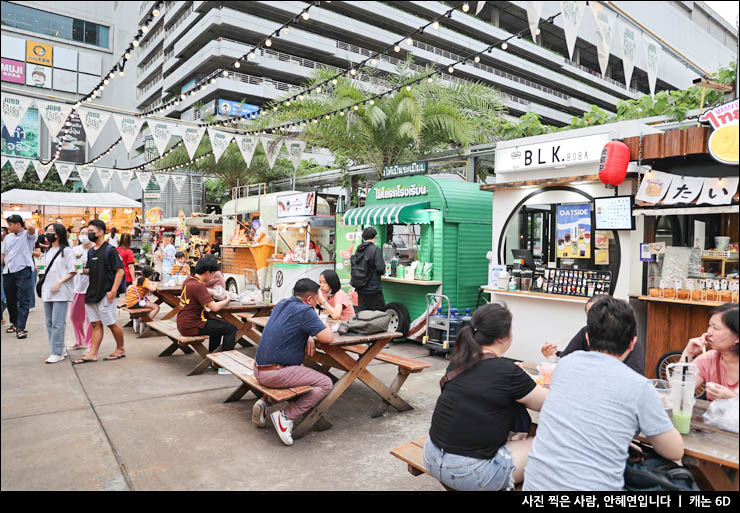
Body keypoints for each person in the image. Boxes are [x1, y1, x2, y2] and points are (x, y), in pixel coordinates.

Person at [523, 297, 684, 491]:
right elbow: (675, 451)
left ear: (588, 338)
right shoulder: (639, 386)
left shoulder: (566, 365)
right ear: (633, 344)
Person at [423, 302, 549, 490]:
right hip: (469, 472)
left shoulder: (459, 361)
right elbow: (550, 404)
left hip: (431, 456)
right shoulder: (508, 372)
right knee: (547, 447)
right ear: (502, 337)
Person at [253, 278, 334, 446]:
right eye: (318, 297)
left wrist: (310, 334)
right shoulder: (305, 310)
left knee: (299, 367)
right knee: (325, 383)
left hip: (258, 369)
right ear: (310, 299)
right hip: (274, 374)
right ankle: (286, 416)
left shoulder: (282, 303)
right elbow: (328, 337)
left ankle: (264, 402)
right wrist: (317, 321)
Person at [540, 295, 644, 375]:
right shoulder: (585, 331)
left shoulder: (625, 336)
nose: (594, 319)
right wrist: (551, 356)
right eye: (590, 315)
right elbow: (563, 360)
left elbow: (635, 374)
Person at [72, 220, 127, 364]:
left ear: (101, 231)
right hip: (92, 293)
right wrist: (81, 269)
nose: (88, 234)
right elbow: (91, 270)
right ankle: (93, 353)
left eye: (91, 231)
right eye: (86, 231)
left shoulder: (110, 249)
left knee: (110, 323)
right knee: (95, 324)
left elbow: (120, 271)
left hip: (106, 292)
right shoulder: (91, 251)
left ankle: (120, 348)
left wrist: (113, 291)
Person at [176, 257, 235, 365]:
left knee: (218, 326)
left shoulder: (189, 280)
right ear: (207, 273)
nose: (213, 277)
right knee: (230, 328)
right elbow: (215, 307)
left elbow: (205, 291)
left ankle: (214, 359)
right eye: (213, 274)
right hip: (192, 325)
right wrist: (227, 299)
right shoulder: (198, 286)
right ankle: (227, 364)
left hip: (183, 322)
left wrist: (217, 292)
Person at [680, 303, 738, 401]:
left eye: (716, 328)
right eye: (709, 326)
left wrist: (732, 398)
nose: (708, 333)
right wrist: (688, 353)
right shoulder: (709, 359)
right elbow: (678, 392)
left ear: (737, 337)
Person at [41, 224, 77, 364]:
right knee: (49, 322)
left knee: (58, 322)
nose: (48, 233)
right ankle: (58, 348)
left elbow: (73, 270)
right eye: (47, 231)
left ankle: (56, 352)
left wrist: (59, 282)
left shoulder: (67, 251)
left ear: (59, 234)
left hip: (61, 291)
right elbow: (48, 267)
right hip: (47, 290)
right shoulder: (48, 250)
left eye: (52, 231)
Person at [1, 215, 37, 339]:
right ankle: (15, 323)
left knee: (23, 299)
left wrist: (23, 222)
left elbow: (31, 227)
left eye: (10, 225)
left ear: (17, 224)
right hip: (8, 271)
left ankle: (21, 328)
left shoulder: (28, 236)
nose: (9, 228)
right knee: (10, 299)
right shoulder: (8, 237)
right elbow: (3, 253)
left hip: (24, 270)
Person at [68, 227, 94, 352]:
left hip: (91, 288)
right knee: (74, 316)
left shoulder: (95, 250)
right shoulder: (75, 250)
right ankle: (79, 340)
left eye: (87, 233)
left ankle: (89, 344)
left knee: (91, 317)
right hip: (76, 287)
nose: (84, 236)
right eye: (82, 233)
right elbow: (73, 268)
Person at [351, 227, 386, 312]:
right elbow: (380, 268)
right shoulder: (375, 249)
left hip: (360, 288)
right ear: (375, 237)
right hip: (373, 289)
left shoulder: (358, 250)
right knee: (378, 315)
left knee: (363, 314)